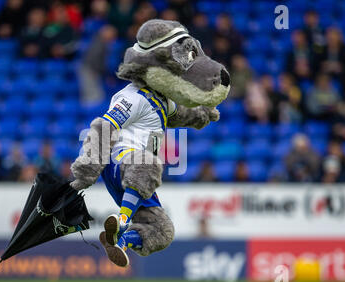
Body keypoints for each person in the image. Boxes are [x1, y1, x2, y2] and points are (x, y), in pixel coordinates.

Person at [70, 19, 229, 267]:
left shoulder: (164, 101)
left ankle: (120, 241)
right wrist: (88, 168)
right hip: (120, 163)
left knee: (162, 231)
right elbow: (104, 126)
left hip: (141, 176)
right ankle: (122, 221)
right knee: (148, 162)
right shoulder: (132, 97)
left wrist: (203, 114)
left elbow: (181, 116)